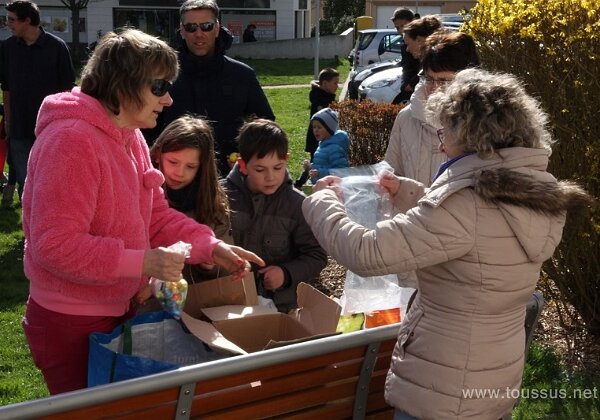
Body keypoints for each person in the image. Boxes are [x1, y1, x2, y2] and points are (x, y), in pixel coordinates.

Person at [302, 68, 591, 419]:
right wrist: (407, 192)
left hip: (442, 391)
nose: (440, 142)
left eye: (445, 130)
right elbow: (476, 231)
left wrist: (322, 201)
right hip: (493, 378)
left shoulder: (464, 206)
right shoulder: (532, 193)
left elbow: (367, 252)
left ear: (472, 135)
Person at [20, 28, 264, 395]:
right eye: (160, 87)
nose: (168, 100)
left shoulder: (128, 135)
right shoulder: (71, 140)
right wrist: (143, 263)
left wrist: (209, 246)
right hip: (69, 321)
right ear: (123, 85)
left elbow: (155, 216)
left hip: (114, 309)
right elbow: (55, 246)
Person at [143, 0, 275, 176]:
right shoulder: (163, 76)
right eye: (191, 27)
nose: (199, 33)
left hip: (229, 179)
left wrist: (245, 158)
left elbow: (265, 127)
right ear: (181, 30)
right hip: (174, 179)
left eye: (206, 26)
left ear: (217, 27)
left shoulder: (242, 75)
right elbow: (145, 127)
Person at [223, 119, 328, 313]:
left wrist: (286, 273)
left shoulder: (296, 204)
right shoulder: (220, 197)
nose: (271, 177)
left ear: (286, 160)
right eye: (260, 169)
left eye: (278, 168)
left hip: (280, 307)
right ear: (243, 165)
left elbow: (317, 255)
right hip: (226, 302)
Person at [0, 0, 75, 202]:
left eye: (12, 19)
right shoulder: (7, 48)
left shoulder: (57, 48)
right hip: (19, 126)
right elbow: (6, 88)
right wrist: (8, 121)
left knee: (52, 181)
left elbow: (68, 90)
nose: (8, 23)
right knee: (27, 184)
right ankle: (31, 229)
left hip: (50, 128)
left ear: (28, 21)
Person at [385, 31, 480, 186]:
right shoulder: (406, 118)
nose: (435, 88)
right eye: (429, 79)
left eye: (444, 81)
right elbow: (391, 174)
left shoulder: (484, 123)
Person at [150, 114, 232, 283]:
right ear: (158, 155)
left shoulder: (213, 203)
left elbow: (226, 269)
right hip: (147, 302)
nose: (179, 172)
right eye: (173, 162)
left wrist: (210, 265)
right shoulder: (145, 193)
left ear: (202, 167)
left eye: (190, 166)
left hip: (195, 300)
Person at [304, 67, 340, 160]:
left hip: (326, 138)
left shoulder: (328, 97)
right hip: (318, 139)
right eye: (335, 83)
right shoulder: (320, 99)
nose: (337, 86)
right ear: (324, 83)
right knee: (317, 162)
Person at [309, 107, 349, 184]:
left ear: (329, 129)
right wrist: (310, 167)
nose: (316, 130)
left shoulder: (334, 148)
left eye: (319, 127)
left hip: (330, 188)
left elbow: (340, 171)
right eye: (314, 127)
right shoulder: (322, 145)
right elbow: (322, 164)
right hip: (321, 186)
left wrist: (319, 173)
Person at [390, 7, 420, 104]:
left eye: (403, 26)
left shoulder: (423, 40)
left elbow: (427, 66)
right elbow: (406, 67)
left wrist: (412, 83)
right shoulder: (404, 44)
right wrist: (405, 84)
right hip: (410, 90)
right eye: (397, 27)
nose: (400, 31)